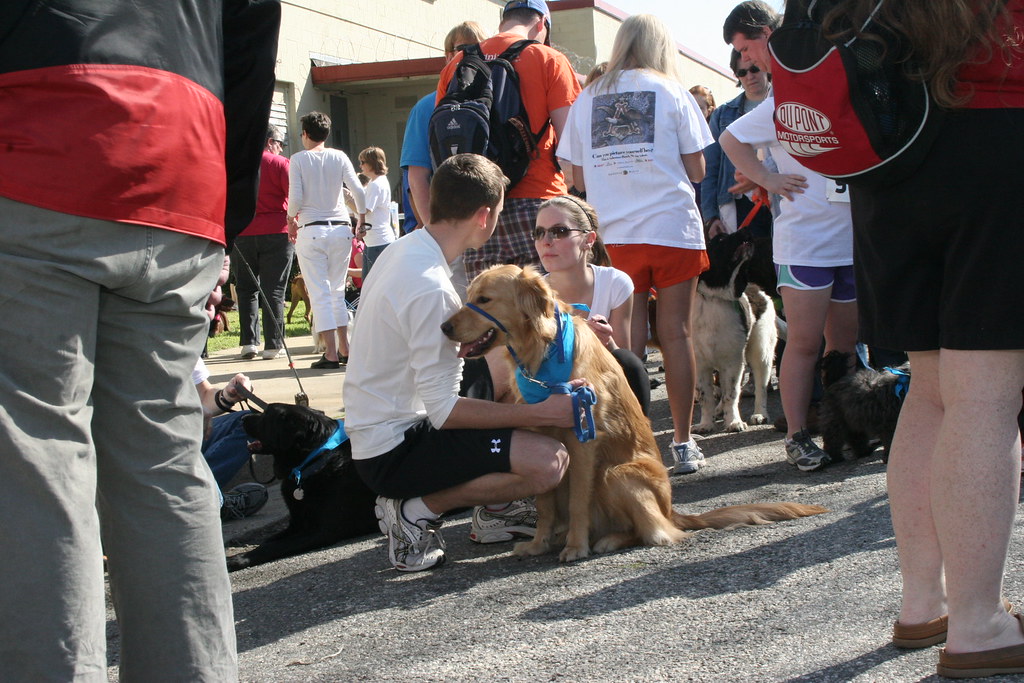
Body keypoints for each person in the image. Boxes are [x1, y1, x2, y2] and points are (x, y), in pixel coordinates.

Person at [0, 0, 280, 678]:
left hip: (38, 135)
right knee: (161, 456)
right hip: (182, 152)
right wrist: (223, 218)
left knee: (40, 457)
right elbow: (251, 35)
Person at [820, 1, 1024, 676]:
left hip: (889, 153)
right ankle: (976, 621)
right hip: (994, 144)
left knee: (932, 391)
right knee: (985, 398)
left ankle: (922, 602)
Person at [343, 154, 583, 572]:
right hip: (394, 448)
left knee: (505, 381)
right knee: (549, 463)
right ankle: (415, 512)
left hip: (383, 426)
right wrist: (544, 411)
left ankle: (497, 510)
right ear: (484, 215)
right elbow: (444, 411)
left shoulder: (407, 250)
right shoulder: (431, 287)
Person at [559, 13, 713, 475]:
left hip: (617, 233)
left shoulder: (589, 97)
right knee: (677, 334)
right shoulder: (672, 91)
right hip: (672, 229)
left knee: (625, 340)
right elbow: (699, 169)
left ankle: (634, 440)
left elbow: (574, 176)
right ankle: (683, 443)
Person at [436, 0, 581, 282]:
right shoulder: (548, 59)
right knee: (542, 312)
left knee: (488, 315)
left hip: (477, 206)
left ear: (503, 21)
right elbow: (570, 147)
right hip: (538, 202)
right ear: (541, 24)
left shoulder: (456, 63)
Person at [534, 195, 650, 415]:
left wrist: (606, 343)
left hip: (601, 384)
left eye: (559, 231)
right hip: (549, 390)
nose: (546, 241)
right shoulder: (531, 293)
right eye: (539, 233)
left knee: (632, 365)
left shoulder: (615, 283)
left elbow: (622, 359)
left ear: (589, 239)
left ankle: (636, 444)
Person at [287, 111, 366, 369]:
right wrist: (361, 218)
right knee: (336, 291)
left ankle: (331, 353)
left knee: (320, 293)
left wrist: (290, 219)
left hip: (311, 229)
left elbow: (296, 198)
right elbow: (357, 189)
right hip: (341, 228)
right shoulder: (339, 156)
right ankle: (345, 348)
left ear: (305, 134)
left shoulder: (298, 159)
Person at [402, 21, 488, 229]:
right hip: (447, 224)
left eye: (477, 48)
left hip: (487, 220)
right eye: (462, 49)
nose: (469, 55)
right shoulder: (427, 107)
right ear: (448, 56)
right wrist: (432, 229)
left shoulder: (494, 100)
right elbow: (416, 176)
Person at [235, 124, 294, 360]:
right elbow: (293, 195)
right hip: (277, 230)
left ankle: (249, 342)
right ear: (270, 142)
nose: (280, 148)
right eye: (279, 143)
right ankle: (273, 344)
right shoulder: (280, 163)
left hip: (244, 232)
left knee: (246, 289)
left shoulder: (238, 163)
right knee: (274, 289)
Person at [702, 50, 772, 238]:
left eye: (754, 69)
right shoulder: (723, 114)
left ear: (766, 68)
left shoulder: (785, 105)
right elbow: (710, 167)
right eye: (742, 72)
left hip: (781, 198)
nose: (749, 76)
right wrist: (710, 216)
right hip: (739, 202)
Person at [192, 359, 270, 520]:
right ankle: (203, 501)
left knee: (251, 423)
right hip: (141, 441)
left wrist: (227, 395)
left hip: (180, 430)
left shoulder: (179, 343)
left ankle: (203, 495)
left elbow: (203, 395)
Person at [357, 146, 395, 280]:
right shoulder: (378, 182)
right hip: (375, 241)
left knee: (373, 284)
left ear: (372, 163)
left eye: (363, 162)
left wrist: (348, 198)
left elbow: (364, 210)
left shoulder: (376, 184)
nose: (360, 166)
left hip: (378, 242)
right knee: (369, 283)